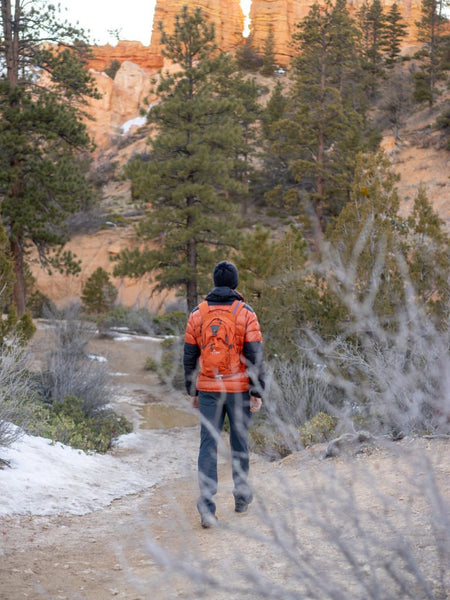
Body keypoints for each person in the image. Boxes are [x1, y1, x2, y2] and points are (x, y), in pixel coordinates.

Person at [184, 260, 265, 528]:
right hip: (239, 389)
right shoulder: (246, 313)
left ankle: (207, 506)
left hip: (208, 389)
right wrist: (257, 391)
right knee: (239, 441)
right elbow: (255, 355)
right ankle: (241, 497)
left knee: (208, 444)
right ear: (235, 283)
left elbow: (189, 355)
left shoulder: (198, 313)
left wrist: (192, 390)